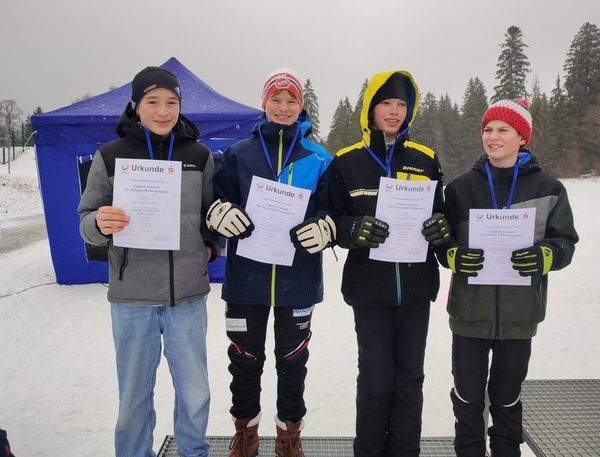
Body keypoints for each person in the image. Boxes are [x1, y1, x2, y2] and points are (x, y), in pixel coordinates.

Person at [78, 66, 220, 457]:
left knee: (195, 393)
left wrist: (210, 247)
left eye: (171, 102)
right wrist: (99, 223)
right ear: (136, 107)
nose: (163, 111)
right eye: (152, 102)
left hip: (187, 298)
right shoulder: (110, 157)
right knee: (133, 399)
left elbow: (213, 217)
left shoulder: (199, 156)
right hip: (131, 300)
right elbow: (86, 223)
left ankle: (194, 451)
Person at [435, 98, 579, 456]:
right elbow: (443, 241)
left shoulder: (549, 188)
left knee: (508, 396)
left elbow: (565, 242)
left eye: (503, 130)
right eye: (487, 129)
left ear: (522, 138)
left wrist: (545, 256)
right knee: (467, 398)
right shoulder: (459, 187)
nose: (493, 136)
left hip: (519, 315)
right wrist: (454, 255)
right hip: (469, 313)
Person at [206, 68, 334, 457]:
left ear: (301, 106)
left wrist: (325, 228)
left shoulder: (319, 157)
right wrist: (219, 214)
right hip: (246, 280)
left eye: (291, 100)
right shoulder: (237, 155)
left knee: (293, 363)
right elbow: (214, 201)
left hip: (298, 280)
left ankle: (288, 435)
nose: (283, 107)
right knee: (244, 361)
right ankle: (245, 433)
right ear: (264, 104)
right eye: (275, 100)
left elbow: (334, 210)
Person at [327, 70, 446, 457]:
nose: (394, 111)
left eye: (401, 104)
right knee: (377, 382)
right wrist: (352, 229)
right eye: (386, 103)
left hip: (415, 289)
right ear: (370, 109)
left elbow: (440, 216)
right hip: (370, 289)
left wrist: (438, 228)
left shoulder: (425, 159)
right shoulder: (347, 161)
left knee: (410, 381)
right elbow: (330, 218)